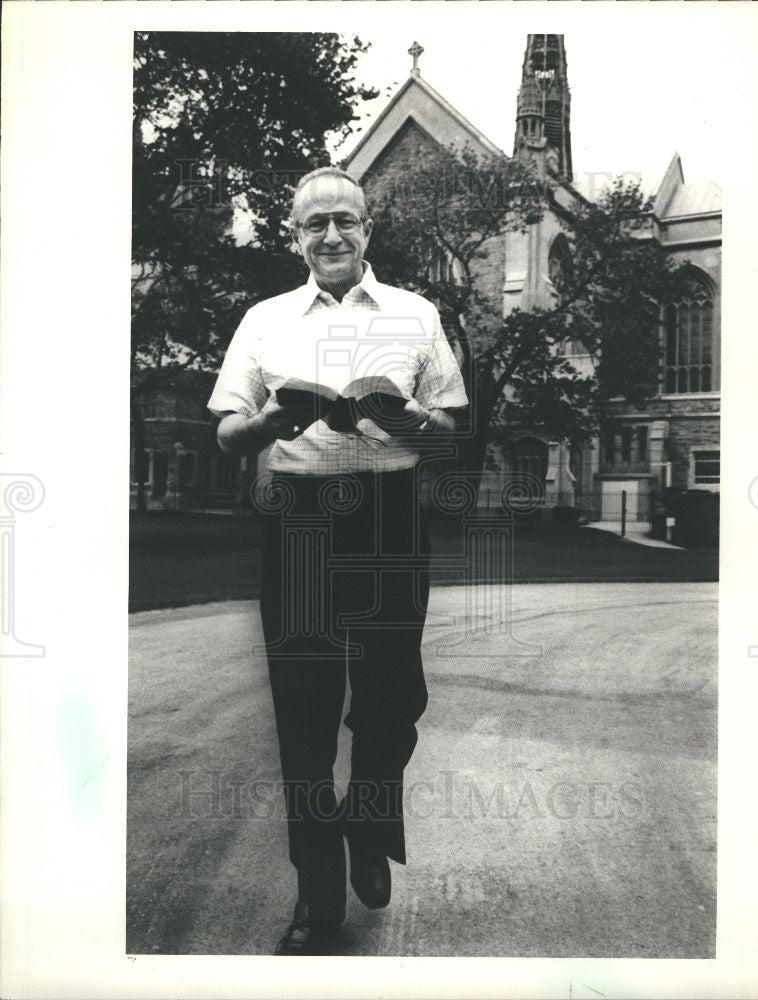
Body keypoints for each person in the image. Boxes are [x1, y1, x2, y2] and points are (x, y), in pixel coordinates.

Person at [207, 166, 468, 955]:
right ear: (295, 237)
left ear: (367, 229)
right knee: (306, 710)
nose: (331, 236)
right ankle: (316, 889)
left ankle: (369, 817)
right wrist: (272, 421)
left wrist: (406, 416)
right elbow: (226, 430)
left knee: (394, 697)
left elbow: (449, 433)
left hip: (389, 518)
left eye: (344, 222)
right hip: (301, 522)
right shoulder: (264, 320)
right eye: (314, 223)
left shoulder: (415, 315)